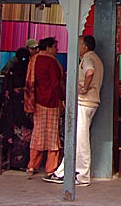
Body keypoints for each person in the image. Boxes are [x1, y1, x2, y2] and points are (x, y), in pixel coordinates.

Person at [44, 35, 104, 187]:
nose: (77, 47)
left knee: (81, 139)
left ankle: (82, 175)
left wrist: (83, 88)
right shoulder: (97, 59)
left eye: (79, 44)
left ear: (85, 47)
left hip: (84, 102)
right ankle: (63, 172)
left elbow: (89, 72)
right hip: (90, 102)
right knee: (76, 138)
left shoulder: (88, 58)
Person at [25, 37, 65, 177]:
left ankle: (32, 166)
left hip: (37, 102)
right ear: (48, 47)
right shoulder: (51, 62)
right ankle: (50, 168)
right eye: (55, 47)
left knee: (38, 134)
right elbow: (55, 84)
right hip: (52, 102)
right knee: (52, 135)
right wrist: (63, 98)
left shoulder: (34, 60)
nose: (57, 50)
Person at [0, 47, 33, 170]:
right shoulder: (28, 70)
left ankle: (13, 161)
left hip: (12, 109)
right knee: (25, 133)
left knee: (15, 133)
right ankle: (22, 162)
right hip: (24, 107)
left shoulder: (12, 70)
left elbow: (6, 90)